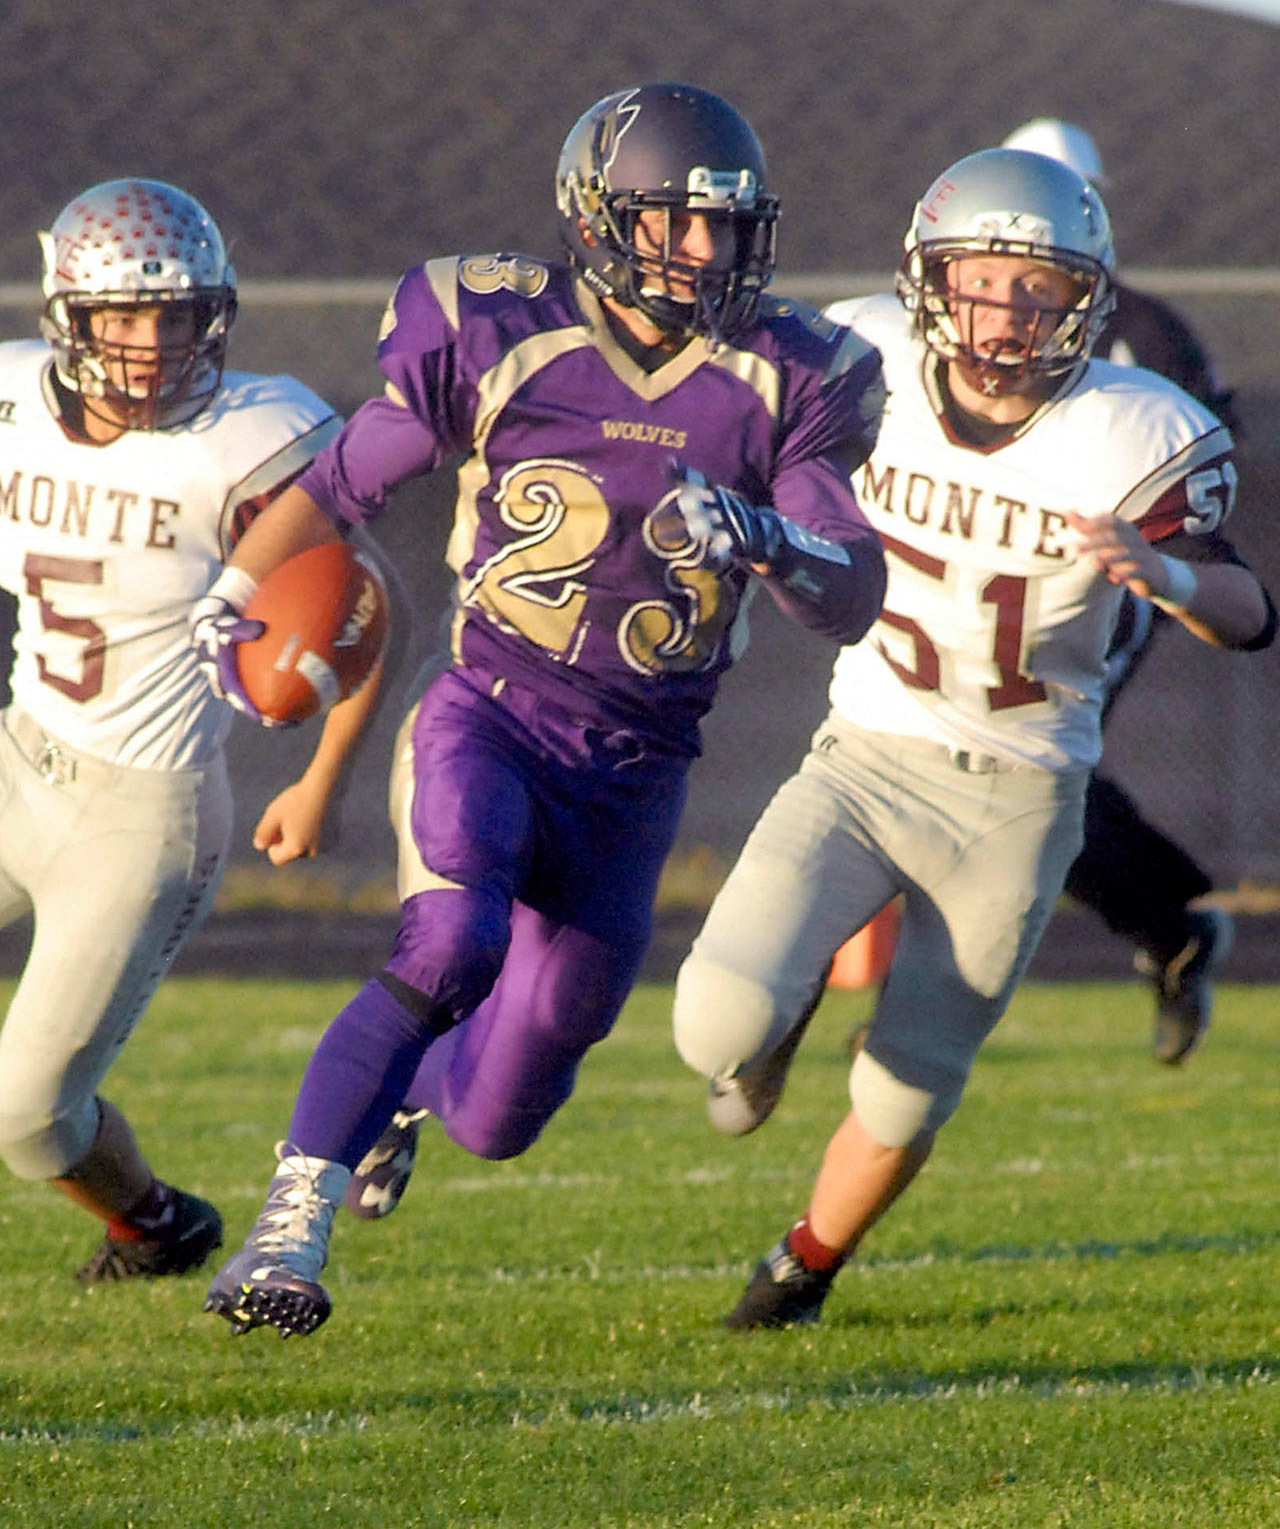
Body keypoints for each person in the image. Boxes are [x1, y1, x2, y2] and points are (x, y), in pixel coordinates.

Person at [197, 80, 889, 1339]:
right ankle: (285, 1228)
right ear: (598, 216)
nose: (701, 250)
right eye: (672, 222)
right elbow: (346, 475)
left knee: (506, 1109)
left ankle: (402, 1103)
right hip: (491, 711)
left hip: (636, 767)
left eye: (721, 226)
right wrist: (238, 579)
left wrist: (770, 538)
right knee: (451, 940)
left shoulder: (789, 373)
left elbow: (850, 590)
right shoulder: (498, 330)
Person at [672, 147, 1275, 1329]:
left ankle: (799, 1268)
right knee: (714, 1032)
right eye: (982, 281)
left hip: (1018, 793)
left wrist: (1162, 575)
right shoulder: (857, 360)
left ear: (1083, 301)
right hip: (863, 753)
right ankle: (775, 1019)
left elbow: (1249, 611)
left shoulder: (1132, 425)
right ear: (928, 281)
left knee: (908, 1084)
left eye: (1036, 288)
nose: (1004, 313)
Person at [0, 179, 385, 1285]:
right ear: (68, 315)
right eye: (122, 316)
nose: (150, 343)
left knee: (29, 1118)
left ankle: (157, 1221)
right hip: (24, 749)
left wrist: (322, 775)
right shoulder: (15, 401)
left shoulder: (251, 435)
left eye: (174, 316)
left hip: (139, 813)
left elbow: (369, 603)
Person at [999, 119, 1242, 1061]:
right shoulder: (967, 318)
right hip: (978, 572)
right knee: (954, 757)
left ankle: (1169, 929)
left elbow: (1206, 472)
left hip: (1109, 589)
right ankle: (1172, 928)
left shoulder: (1143, 332)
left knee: (1028, 765)